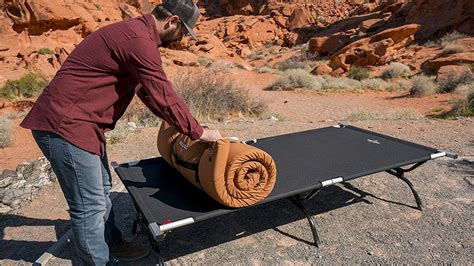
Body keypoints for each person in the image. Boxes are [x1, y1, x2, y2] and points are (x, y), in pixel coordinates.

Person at [20, 0, 222, 264]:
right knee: (88, 206)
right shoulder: (138, 39)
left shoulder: (137, 34)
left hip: (82, 125)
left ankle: (112, 244)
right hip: (67, 126)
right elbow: (163, 93)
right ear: (172, 21)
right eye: (184, 30)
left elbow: (148, 93)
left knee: (101, 188)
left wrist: (179, 126)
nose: (183, 37)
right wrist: (198, 132)